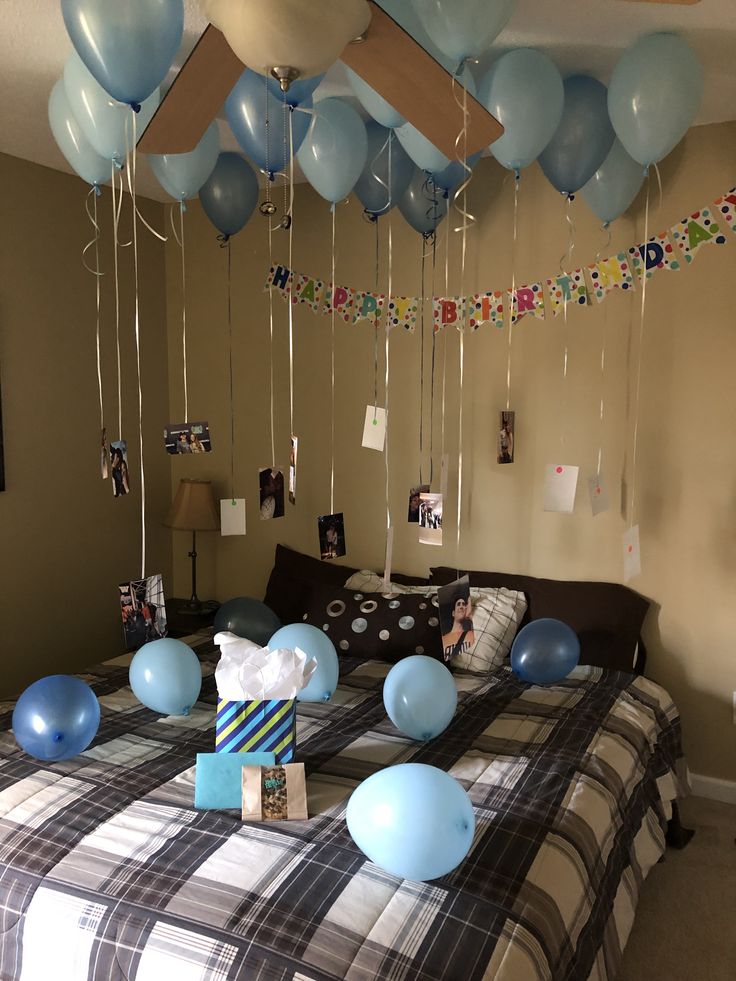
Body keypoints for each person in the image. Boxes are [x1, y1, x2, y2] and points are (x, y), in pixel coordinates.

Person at [441, 593, 475, 661]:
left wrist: (469, 616)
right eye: (458, 604)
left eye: (464, 604)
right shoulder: (443, 639)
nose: (461, 606)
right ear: (453, 613)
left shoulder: (472, 634)